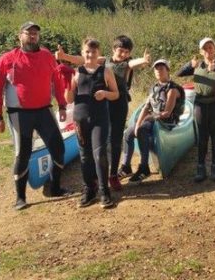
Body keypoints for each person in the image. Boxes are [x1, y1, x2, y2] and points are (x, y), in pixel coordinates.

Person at [0, 21, 70, 211]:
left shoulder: (47, 56)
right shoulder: (7, 59)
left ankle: (55, 188)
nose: (32, 36)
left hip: (44, 111)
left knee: (58, 148)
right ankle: (20, 198)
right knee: (22, 153)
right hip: (19, 114)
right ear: (20, 36)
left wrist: (62, 105)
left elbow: (57, 81)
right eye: (28, 33)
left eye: (35, 33)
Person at [56, 36, 150, 191]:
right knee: (101, 142)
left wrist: (144, 60)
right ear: (113, 49)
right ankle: (96, 176)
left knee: (115, 141)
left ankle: (113, 175)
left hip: (119, 104)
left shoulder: (127, 64)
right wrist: (65, 56)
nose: (123, 54)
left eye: (127, 52)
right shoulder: (103, 60)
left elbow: (134, 63)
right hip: (102, 102)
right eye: (120, 50)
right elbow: (82, 59)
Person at [65, 38, 120, 209]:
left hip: (99, 119)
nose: (90, 55)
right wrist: (66, 85)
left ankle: (104, 191)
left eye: (93, 52)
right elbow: (69, 99)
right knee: (84, 156)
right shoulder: (76, 72)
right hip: (80, 119)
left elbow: (116, 94)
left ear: (98, 53)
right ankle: (89, 189)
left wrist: (105, 93)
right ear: (82, 53)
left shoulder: (106, 71)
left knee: (100, 154)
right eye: (87, 51)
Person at [176, 38, 215, 182]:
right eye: (205, 48)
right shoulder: (197, 64)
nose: (208, 50)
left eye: (210, 47)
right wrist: (189, 65)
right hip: (200, 105)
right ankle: (201, 167)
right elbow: (179, 73)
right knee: (202, 137)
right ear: (201, 51)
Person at [122, 59, 185, 184]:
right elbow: (146, 107)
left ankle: (144, 167)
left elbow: (167, 113)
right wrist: (137, 124)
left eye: (161, 68)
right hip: (154, 118)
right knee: (128, 133)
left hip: (166, 120)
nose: (158, 71)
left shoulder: (173, 89)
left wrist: (149, 119)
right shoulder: (154, 88)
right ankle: (126, 166)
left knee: (142, 129)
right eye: (156, 69)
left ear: (168, 70)